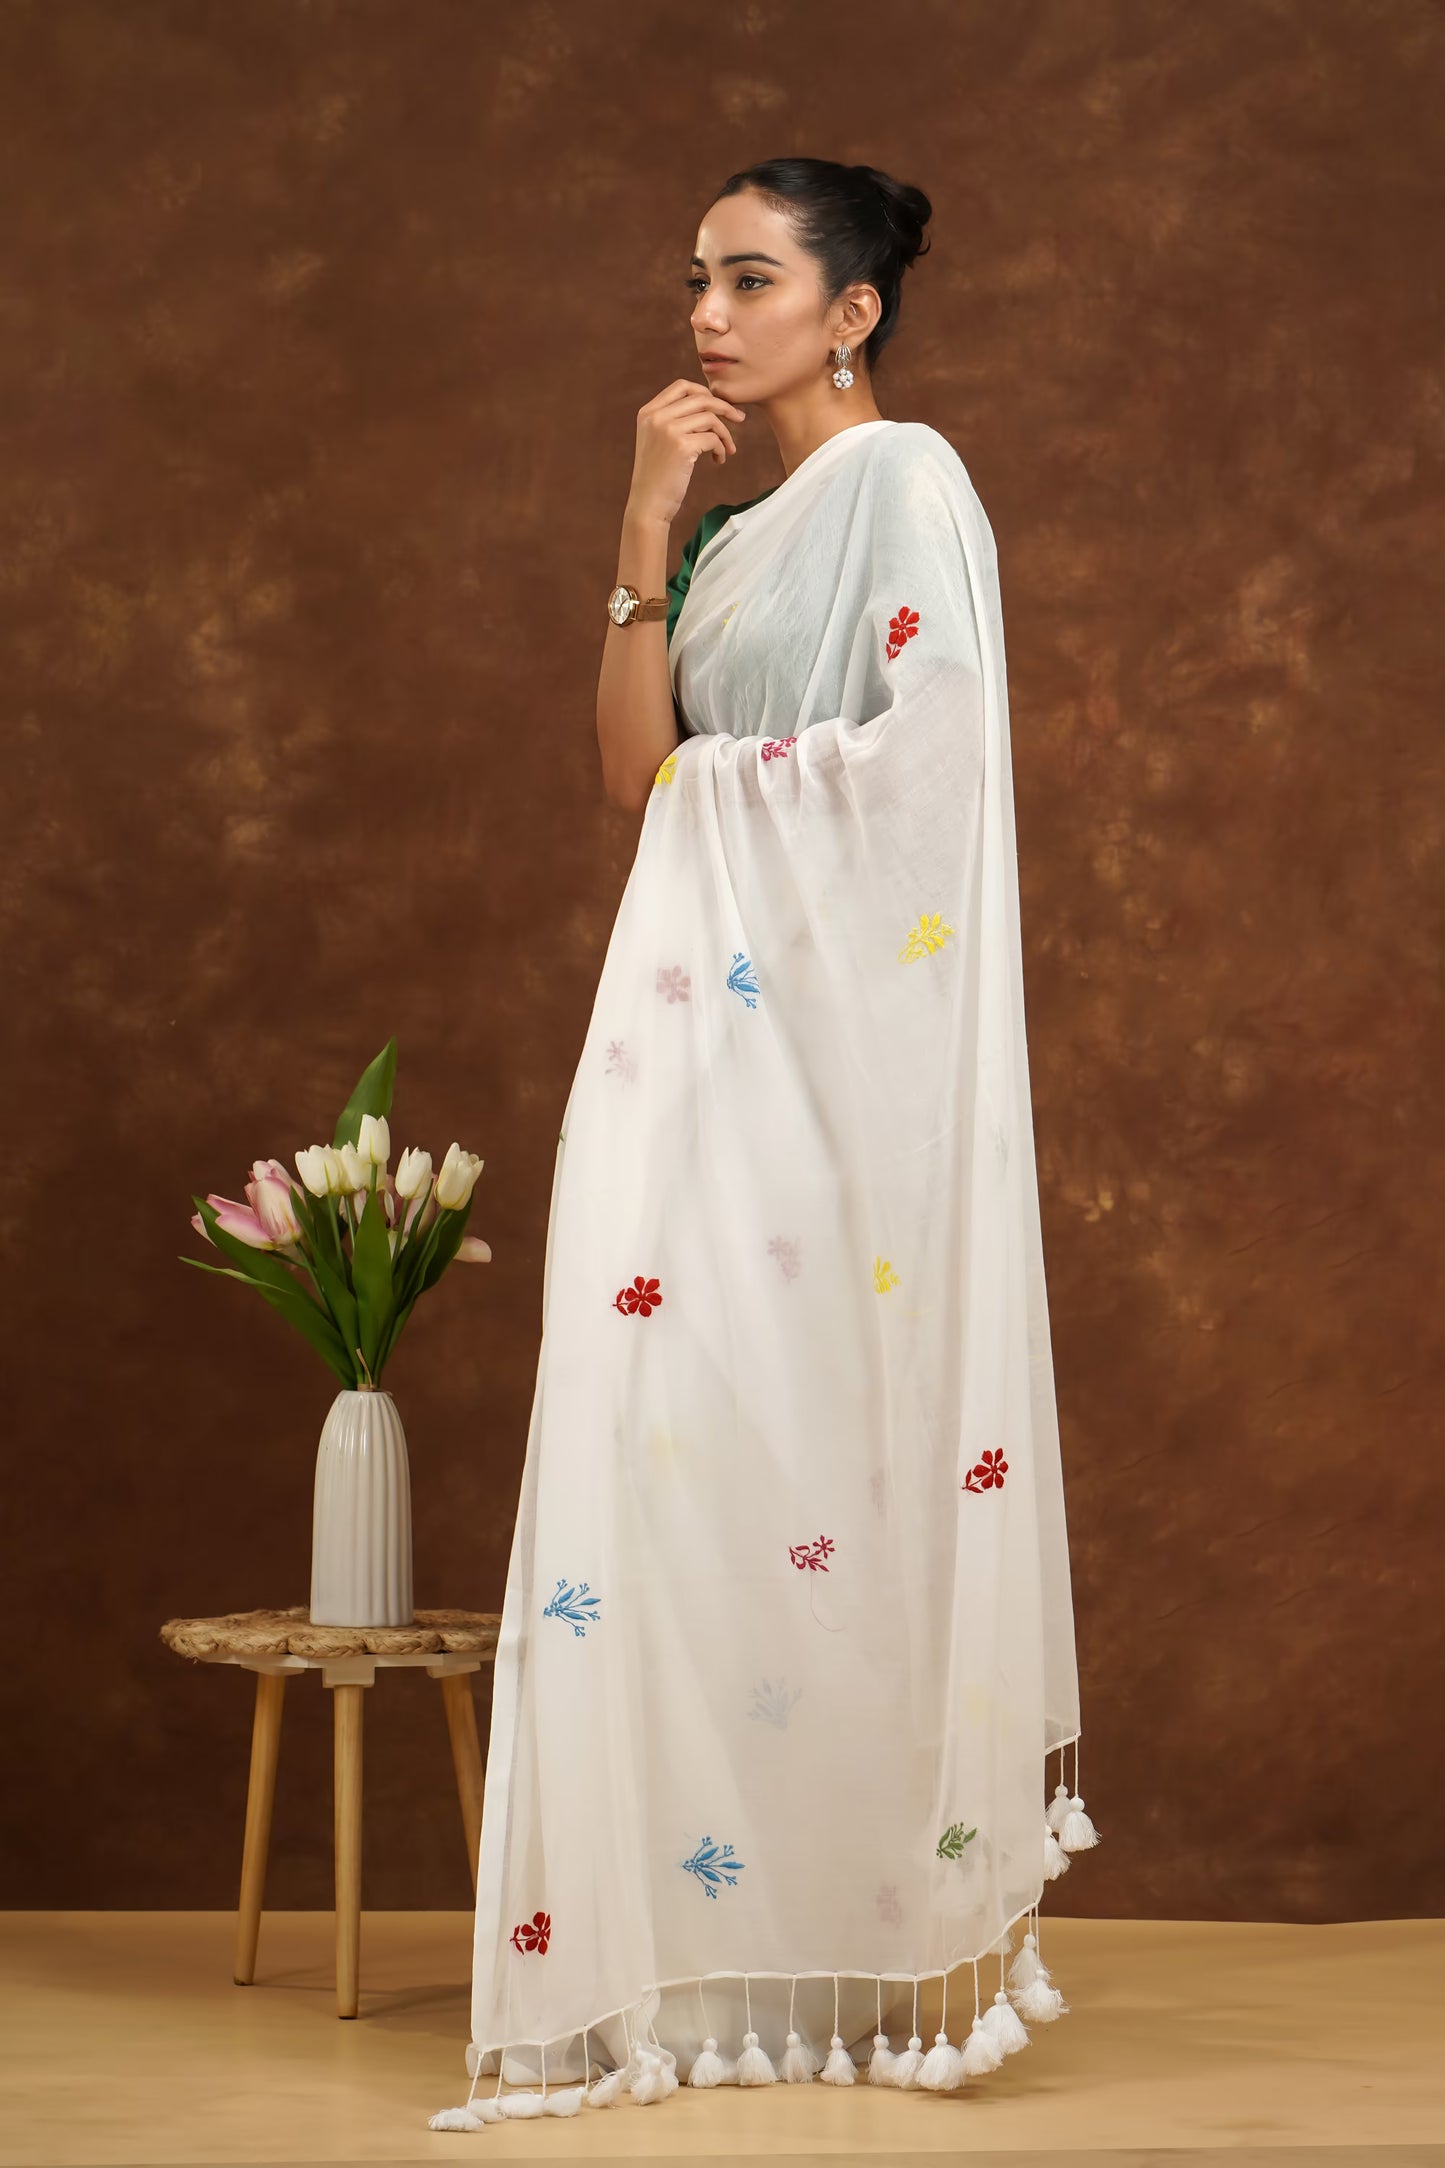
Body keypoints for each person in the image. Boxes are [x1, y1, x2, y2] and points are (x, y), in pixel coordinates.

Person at [430, 155, 1096, 2133]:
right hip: (702, 1068)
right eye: (695, 280)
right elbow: (639, 773)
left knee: (848, 1460)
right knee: (687, 1459)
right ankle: (710, 1960)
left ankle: (896, 1948)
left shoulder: (909, 485)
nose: (706, 315)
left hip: (846, 1078)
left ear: (853, 307)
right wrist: (643, 513)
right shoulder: (724, 535)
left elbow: (932, 769)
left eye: (748, 277)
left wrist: (742, 797)